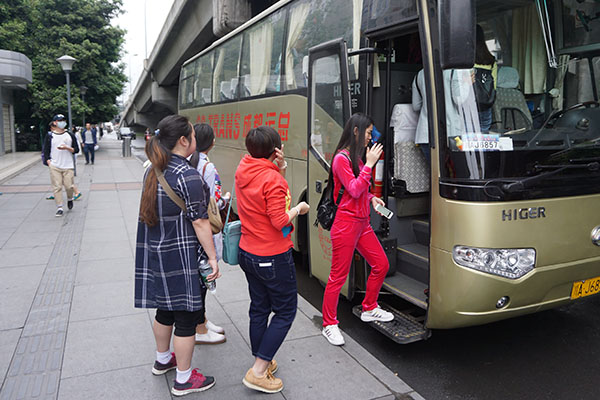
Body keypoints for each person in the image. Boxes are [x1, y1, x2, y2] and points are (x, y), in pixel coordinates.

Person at [135, 114, 217, 396]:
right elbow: (200, 222)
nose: (195, 139)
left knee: (165, 310)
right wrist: (213, 258)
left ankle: (162, 360)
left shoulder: (153, 169)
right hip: (181, 255)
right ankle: (184, 378)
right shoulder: (187, 175)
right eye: (192, 135)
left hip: (157, 251)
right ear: (183, 140)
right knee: (186, 317)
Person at [235, 126, 309, 394]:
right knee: (286, 311)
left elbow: (270, 197)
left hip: (248, 251)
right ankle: (258, 371)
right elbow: (279, 219)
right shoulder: (272, 179)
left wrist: (281, 168)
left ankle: (261, 359)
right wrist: (299, 208)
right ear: (276, 149)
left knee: (259, 308)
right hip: (271, 256)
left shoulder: (244, 168)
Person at [321, 113, 394, 347]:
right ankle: (329, 324)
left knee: (381, 264)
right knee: (338, 277)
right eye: (368, 132)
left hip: (362, 223)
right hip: (345, 224)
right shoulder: (341, 159)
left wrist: (372, 198)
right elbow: (353, 189)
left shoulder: (357, 159)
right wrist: (370, 164)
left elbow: (360, 190)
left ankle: (369, 307)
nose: (370, 137)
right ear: (356, 131)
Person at [192, 123, 230, 345]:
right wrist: (226, 199)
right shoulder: (208, 167)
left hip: (191, 228)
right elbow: (213, 202)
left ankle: (203, 321)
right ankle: (199, 328)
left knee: (200, 278)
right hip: (205, 228)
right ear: (212, 142)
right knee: (204, 279)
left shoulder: (188, 162)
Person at [43, 114, 79, 217]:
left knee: (69, 186)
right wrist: (48, 161)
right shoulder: (50, 135)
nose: (62, 122)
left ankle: (69, 198)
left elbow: (76, 149)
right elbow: (46, 150)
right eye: (59, 121)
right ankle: (59, 207)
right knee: (57, 187)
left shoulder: (70, 135)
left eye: (63, 120)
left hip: (68, 165)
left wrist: (67, 148)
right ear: (55, 122)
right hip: (55, 165)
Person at [474, 24, 497, 132]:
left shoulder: (464, 61)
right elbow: (494, 87)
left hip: (467, 107)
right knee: (483, 137)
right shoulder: (491, 61)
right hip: (485, 107)